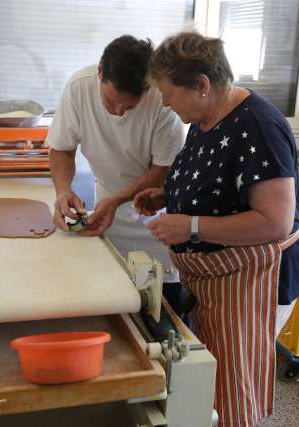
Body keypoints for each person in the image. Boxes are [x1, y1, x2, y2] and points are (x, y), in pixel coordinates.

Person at [134, 32, 299, 426]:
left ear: (201, 84)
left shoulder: (259, 127)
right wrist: (166, 195)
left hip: (256, 280)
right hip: (218, 278)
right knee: (212, 381)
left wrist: (191, 226)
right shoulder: (203, 119)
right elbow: (216, 183)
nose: (164, 102)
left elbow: (274, 221)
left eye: (169, 93)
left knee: (233, 388)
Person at [46, 35, 188, 320]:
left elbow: (163, 171)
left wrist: (118, 200)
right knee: (111, 302)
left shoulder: (163, 101)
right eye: (111, 102)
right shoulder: (78, 89)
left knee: (160, 308)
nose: (119, 111)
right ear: (100, 73)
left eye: (130, 106)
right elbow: (61, 149)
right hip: (107, 210)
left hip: (156, 214)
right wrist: (63, 190)